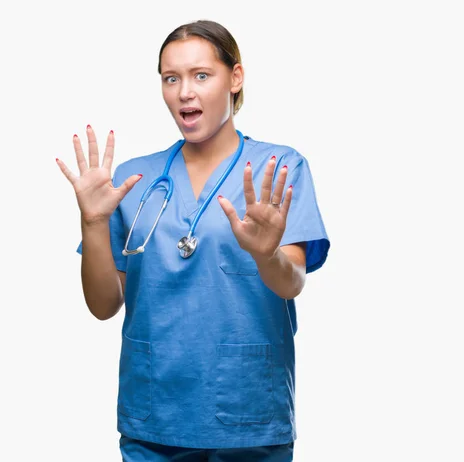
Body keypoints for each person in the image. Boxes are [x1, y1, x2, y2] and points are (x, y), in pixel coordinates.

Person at [57, 19, 330, 462]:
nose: (184, 91)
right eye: (171, 78)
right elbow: (104, 306)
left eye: (201, 75)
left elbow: (291, 282)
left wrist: (266, 255)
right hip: (156, 414)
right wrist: (91, 222)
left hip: (249, 415)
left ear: (235, 78)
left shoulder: (280, 168)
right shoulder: (131, 180)